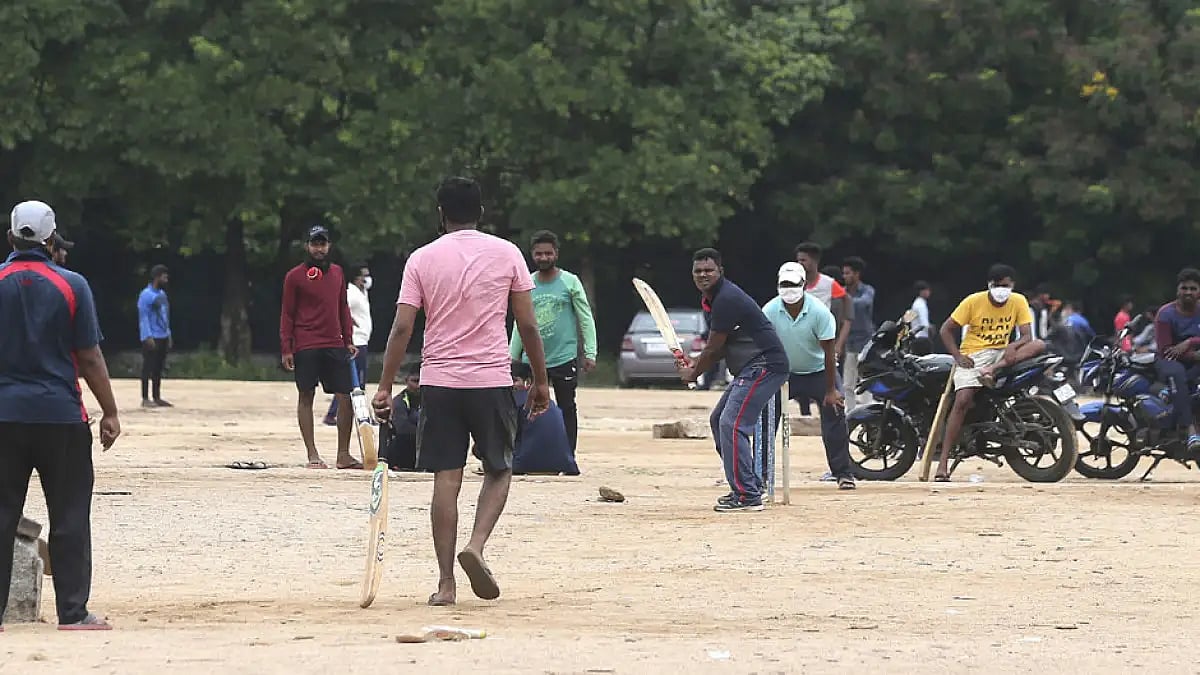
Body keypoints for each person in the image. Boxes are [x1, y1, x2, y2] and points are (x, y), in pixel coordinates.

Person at [371, 176, 550, 606]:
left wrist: (384, 386)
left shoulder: (421, 259)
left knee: (445, 480)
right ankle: (477, 544)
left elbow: (402, 327)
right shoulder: (507, 253)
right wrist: (541, 381)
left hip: (439, 383)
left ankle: (447, 582)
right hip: (490, 381)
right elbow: (527, 324)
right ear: (481, 213)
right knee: (499, 468)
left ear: (440, 213)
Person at [0, 200, 121, 630]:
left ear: (11, 237)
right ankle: (73, 612)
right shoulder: (72, 285)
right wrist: (109, 411)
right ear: (51, 240)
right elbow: (89, 357)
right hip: (61, 417)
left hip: (5, 417)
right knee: (69, 514)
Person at [679, 248, 789, 512]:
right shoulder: (714, 300)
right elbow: (719, 347)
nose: (703, 275)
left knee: (732, 423)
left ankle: (747, 495)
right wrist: (695, 364)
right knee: (719, 420)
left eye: (709, 270)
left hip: (765, 365)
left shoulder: (726, 298)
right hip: (751, 366)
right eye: (698, 271)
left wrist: (693, 373)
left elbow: (714, 347)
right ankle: (746, 484)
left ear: (720, 272)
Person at [934, 264, 1043, 481]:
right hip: (974, 354)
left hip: (1002, 353)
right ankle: (943, 462)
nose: (1002, 289)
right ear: (989, 285)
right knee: (962, 400)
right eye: (997, 285)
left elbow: (1027, 336)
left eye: (1006, 285)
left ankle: (991, 371)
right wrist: (957, 356)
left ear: (1012, 285)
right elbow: (946, 329)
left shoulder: (1018, 301)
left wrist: (1013, 346)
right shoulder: (973, 301)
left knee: (1039, 344)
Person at [762, 262, 855, 490]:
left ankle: (843, 473)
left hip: (819, 372)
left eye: (793, 284)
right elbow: (764, 347)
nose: (789, 289)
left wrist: (831, 390)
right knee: (766, 418)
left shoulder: (819, 313)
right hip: (785, 373)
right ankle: (761, 474)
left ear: (804, 285)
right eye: (784, 284)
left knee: (835, 414)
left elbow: (829, 353)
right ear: (777, 285)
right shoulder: (770, 311)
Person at [509, 230, 597, 453]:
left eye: (548, 253)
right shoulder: (526, 283)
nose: (544, 258)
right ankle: (522, 453)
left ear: (556, 254)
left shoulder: (570, 282)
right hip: (532, 359)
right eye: (539, 254)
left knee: (567, 406)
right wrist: (513, 357)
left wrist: (590, 351)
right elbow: (521, 323)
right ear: (532, 255)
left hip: (563, 357)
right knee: (524, 406)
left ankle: (567, 455)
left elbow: (585, 318)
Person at [279, 225, 360, 470]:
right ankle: (312, 453)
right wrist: (287, 347)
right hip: (306, 343)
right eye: (315, 243)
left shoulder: (337, 272)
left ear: (329, 245)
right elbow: (287, 313)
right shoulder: (294, 276)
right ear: (307, 246)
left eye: (323, 243)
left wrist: (348, 339)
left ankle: (343, 454)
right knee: (306, 395)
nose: (319, 248)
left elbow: (342, 307)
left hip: (334, 343)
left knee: (345, 396)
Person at [1153, 268, 1200, 455]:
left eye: (1193, 288)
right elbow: (1166, 351)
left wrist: (1190, 342)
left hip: (1194, 360)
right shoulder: (1165, 314)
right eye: (1184, 288)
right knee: (1178, 375)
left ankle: (1170, 391)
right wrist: (1193, 355)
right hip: (1170, 362)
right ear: (1178, 290)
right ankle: (1190, 432)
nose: (1188, 292)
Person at [324, 264, 373, 426]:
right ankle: (335, 413)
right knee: (353, 381)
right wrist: (350, 325)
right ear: (356, 278)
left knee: (358, 381)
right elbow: (337, 309)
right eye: (364, 275)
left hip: (363, 340)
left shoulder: (362, 292)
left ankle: (355, 413)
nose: (367, 278)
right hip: (355, 342)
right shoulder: (351, 293)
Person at [510, 363, 578, 475]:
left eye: (514, 380)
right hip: (563, 464)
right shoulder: (549, 402)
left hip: (523, 464)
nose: (510, 384)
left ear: (528, 382)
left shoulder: (515, 401)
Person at [841, 256, 876, 409]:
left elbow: (863, 303)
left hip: (865, 341)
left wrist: (844, 300)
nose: (845, 276)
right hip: (849, 341)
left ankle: (868, 412)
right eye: (844, 273)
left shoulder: (867, 291)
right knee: (848, 383)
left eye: (848, 273)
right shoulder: (842, 292)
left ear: (857, 274)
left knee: (866, 380)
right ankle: (850, 413)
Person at [136, 264, 173, 408]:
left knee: (158, 367)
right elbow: (143, 317)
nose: (166, 278)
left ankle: (157, 396)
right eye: (164, 276)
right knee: (148, 366)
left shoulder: (162, 295)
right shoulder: (146, 295)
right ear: (157, 277)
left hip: (162, 334)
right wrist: (147, 336)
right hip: (152, 335)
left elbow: (165, 315)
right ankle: (145, 398)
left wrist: (168, 333)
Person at [383, 368, 423, 472]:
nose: (418, 385)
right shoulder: (399, 401)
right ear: (406, 381)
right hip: (401, 452)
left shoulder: (429, 400)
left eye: (421, 381)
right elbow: (402, 429)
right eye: (414, 381)